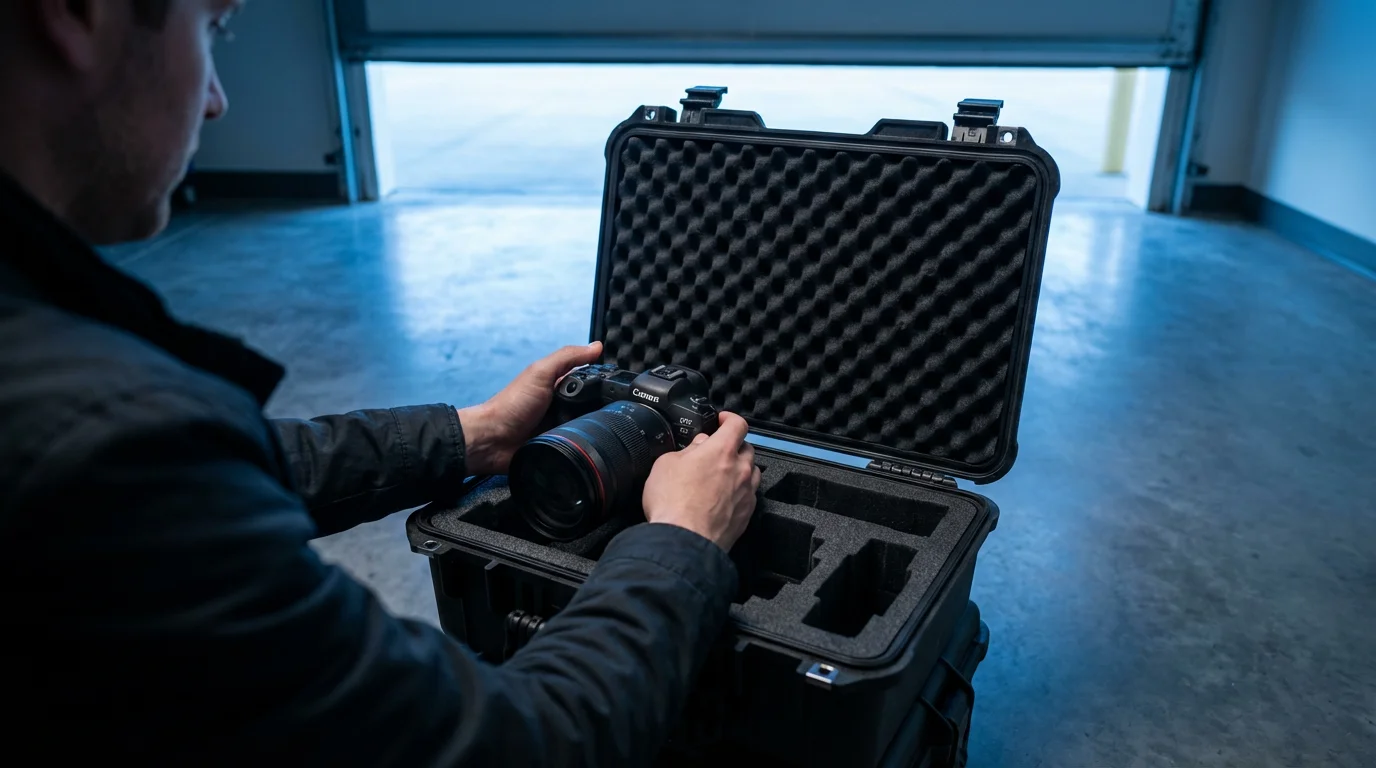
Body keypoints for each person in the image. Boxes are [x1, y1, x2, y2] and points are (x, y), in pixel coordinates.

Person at [0, 1, 760, 764]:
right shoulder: (93, 439)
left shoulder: (49, 370)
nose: (217, 99)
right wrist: (681, 543)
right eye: (213, 29)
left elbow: (231, 467)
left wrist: (476, 435)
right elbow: (515, 747)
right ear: (76, 13)